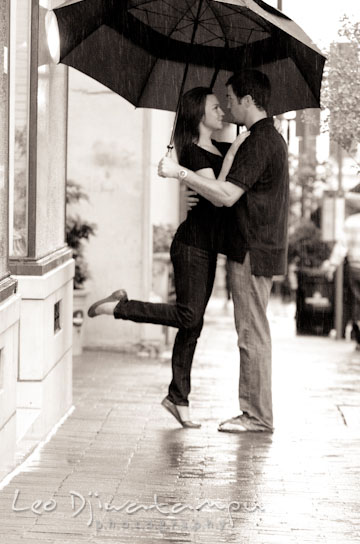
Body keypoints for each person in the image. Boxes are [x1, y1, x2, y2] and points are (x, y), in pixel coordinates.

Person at [87, 87, 249, 428]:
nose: (222, 113)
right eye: (215, 108)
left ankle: (178, 398)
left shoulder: (218, 147)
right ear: (198, 114)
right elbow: (220, 197)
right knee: (188, 315)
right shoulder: (191, 152)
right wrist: (196, 169)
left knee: (194, 323)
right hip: (191, 246)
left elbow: (217, 188)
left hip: (206, 247)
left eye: (222, 107)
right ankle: (117, 307)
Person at [159, 69, 289, 434]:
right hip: (255, 248)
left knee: (251, 335)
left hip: (250, 250)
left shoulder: (259, 142)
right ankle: (255, 412)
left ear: (248, 100)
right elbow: (223, 182)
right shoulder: (260, 139)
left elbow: (226, 195)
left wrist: (179, 173)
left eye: (230, 99)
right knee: (252, 333)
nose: (228, 106)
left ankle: (256, 416)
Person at [320, 193, 360, 350]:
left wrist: (333, 265)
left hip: (354, 268)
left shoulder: (351, 222)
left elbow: (342, 246)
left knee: (358, 303)